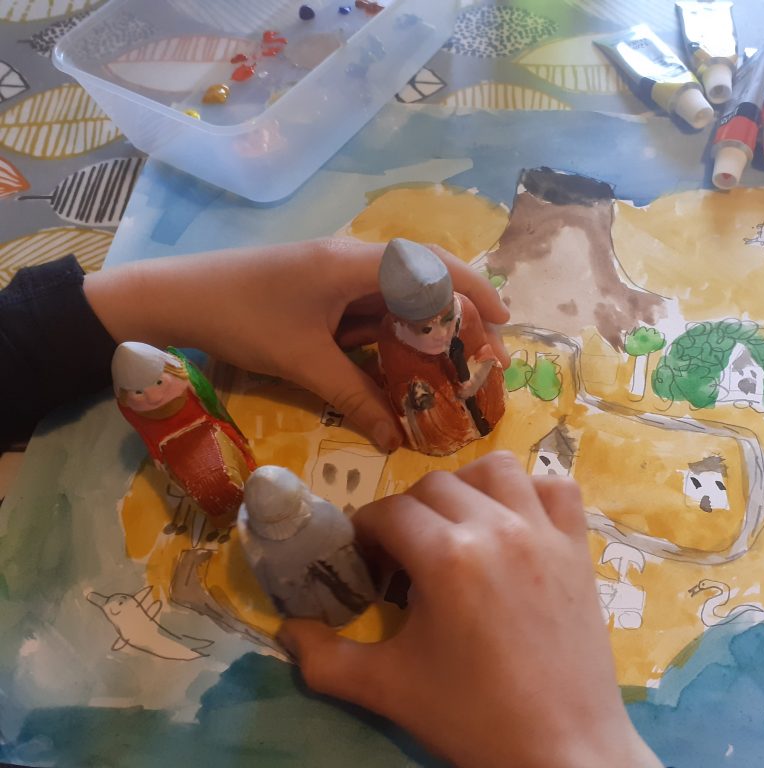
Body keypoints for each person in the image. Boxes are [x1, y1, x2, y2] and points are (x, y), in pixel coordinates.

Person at [0, 239, 663, 768]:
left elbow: (474, 353)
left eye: (441, 318)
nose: (435, 329)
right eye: (423, 323)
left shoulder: (461, 318)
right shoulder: (394, 349)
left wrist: (125, 303)